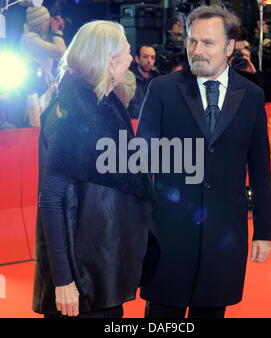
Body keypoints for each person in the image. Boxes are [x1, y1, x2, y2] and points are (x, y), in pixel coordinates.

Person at [137, 5, 271, 318]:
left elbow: (260, 168)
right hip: (168, 236)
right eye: (191, 41)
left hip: (224, 237)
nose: (196, 50)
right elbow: (142, 163)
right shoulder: (162, 90)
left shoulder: (251, 95)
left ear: (230, 47)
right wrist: (139, 227)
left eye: (208, 43)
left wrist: (265, 230)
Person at [33, 20, 159, 318]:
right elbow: (51, 201)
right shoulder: (71, 113)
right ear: (108, 59)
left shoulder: (101, 105)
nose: (131, 58)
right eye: (126, 52)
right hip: (80, 281)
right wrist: (63, 280)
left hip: (101, 270)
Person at [21, 5, 66, 127]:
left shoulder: (42, 37)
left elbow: (61, 56)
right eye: (47, 20)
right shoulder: (30, 39)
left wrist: (58, 31)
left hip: (42, 86)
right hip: (33, 87)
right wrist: (57, 32)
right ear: (39, 24)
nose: (49, 22)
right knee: (37, 125)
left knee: (45, 123)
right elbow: (61, 51)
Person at [127, 45, 159, 118]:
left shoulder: (157, 78)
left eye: (153, 58)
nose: (149, 61)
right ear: (137, 59)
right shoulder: (129, 78)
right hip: (133, 121)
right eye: (145, 57)